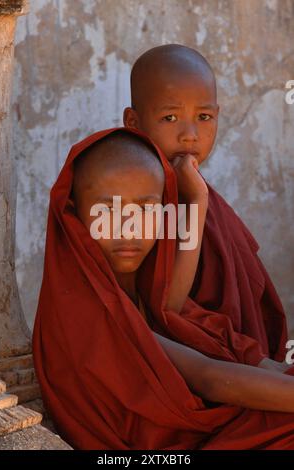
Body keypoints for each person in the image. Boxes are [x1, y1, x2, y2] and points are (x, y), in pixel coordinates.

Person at [33, 127, 294, 450]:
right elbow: (209, 378)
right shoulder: (83, 309)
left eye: (146, 210)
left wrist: (197, 197)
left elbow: (235, 350)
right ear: (73, 214)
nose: (129, 229)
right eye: (108, 211)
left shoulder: (147, 294)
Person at [123, 44, 288, 369]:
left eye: (204, 117)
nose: (190, 135)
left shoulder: (196, 187)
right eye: (170, 117)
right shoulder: (138, 194)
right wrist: (196, 202)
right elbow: (168, 308)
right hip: (179, 361)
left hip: (228, 353)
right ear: (133, 122)